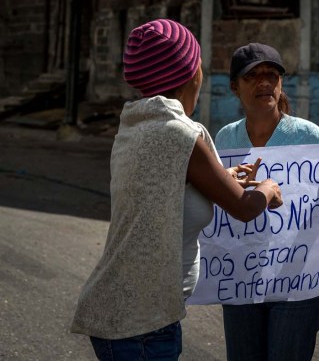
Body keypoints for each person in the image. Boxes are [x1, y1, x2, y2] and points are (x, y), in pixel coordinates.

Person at [70, 19, 283, 360]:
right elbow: (244, 207)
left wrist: (221, 175)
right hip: (141, 328)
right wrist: (269, 188)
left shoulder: (139, 125)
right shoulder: (180, 134)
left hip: (129, 316)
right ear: (190, 73)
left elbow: (166, 185)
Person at [215, 42, 319, 361]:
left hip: (295, 278)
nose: (264, 82)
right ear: (235, 87)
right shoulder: (224, 140)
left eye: (272, 75)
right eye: (253, 76)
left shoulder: (309, 137)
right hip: (241, 277)